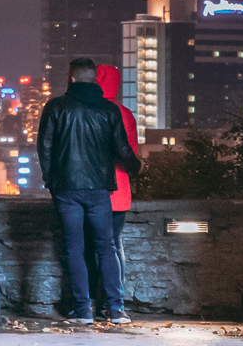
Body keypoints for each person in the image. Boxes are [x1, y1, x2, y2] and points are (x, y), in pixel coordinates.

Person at [36, 57, 142, 325]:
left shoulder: (56, 106)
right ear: (94, 79)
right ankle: (115, 309)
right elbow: (122, 149)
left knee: (74, 248)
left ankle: (83, 310)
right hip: (99, 188)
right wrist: (136, 167)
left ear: (71, 78)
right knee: (106, 246)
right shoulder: (110, 110)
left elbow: (45, 147)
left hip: (67, 188)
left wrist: (51, 180)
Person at [91, 64, 139, 320]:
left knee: (90, 247)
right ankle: (113, 304)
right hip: (119, 190)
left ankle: (94, 302)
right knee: (113, 246)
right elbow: (132, 154)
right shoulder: (124, 113)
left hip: (91, 189)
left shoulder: (88, 110)